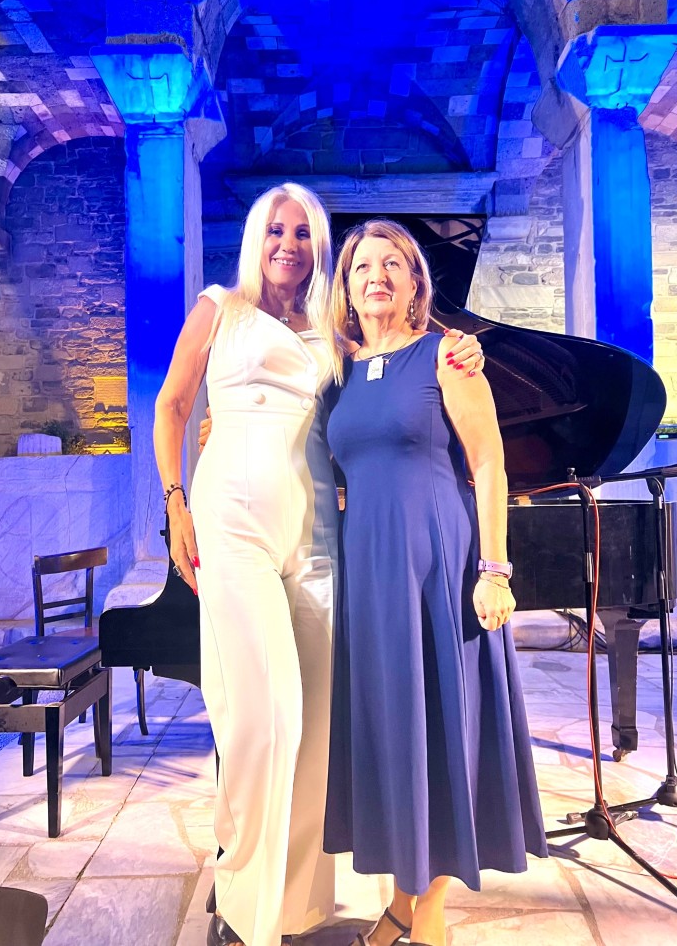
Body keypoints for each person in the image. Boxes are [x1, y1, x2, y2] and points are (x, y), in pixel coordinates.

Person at [153, 184, 483, 946]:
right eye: (276, 230)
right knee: (264, 718)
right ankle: (243, 903)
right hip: (232, 520)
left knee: (317, 724)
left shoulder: (336, 335)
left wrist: (461, 345)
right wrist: (175, 503)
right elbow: (172, 406)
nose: (288, 244)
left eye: (303, 233)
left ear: (318, 247)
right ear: (255, 238)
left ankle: (296, 908)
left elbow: (401, 364)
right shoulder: (219, 309)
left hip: (317, 529)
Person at [323, 219, 547, 946]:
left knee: (447, 728)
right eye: (363, 267)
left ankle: (429, 913)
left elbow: (489, 463)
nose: (377, 276)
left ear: (416, 282)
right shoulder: (339, 372)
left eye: (393, 264)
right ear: (346, 287)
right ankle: (399, 902)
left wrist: (494, 570)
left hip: (438, 568)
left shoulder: (447, 355)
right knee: (397, 734)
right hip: (369, 576)